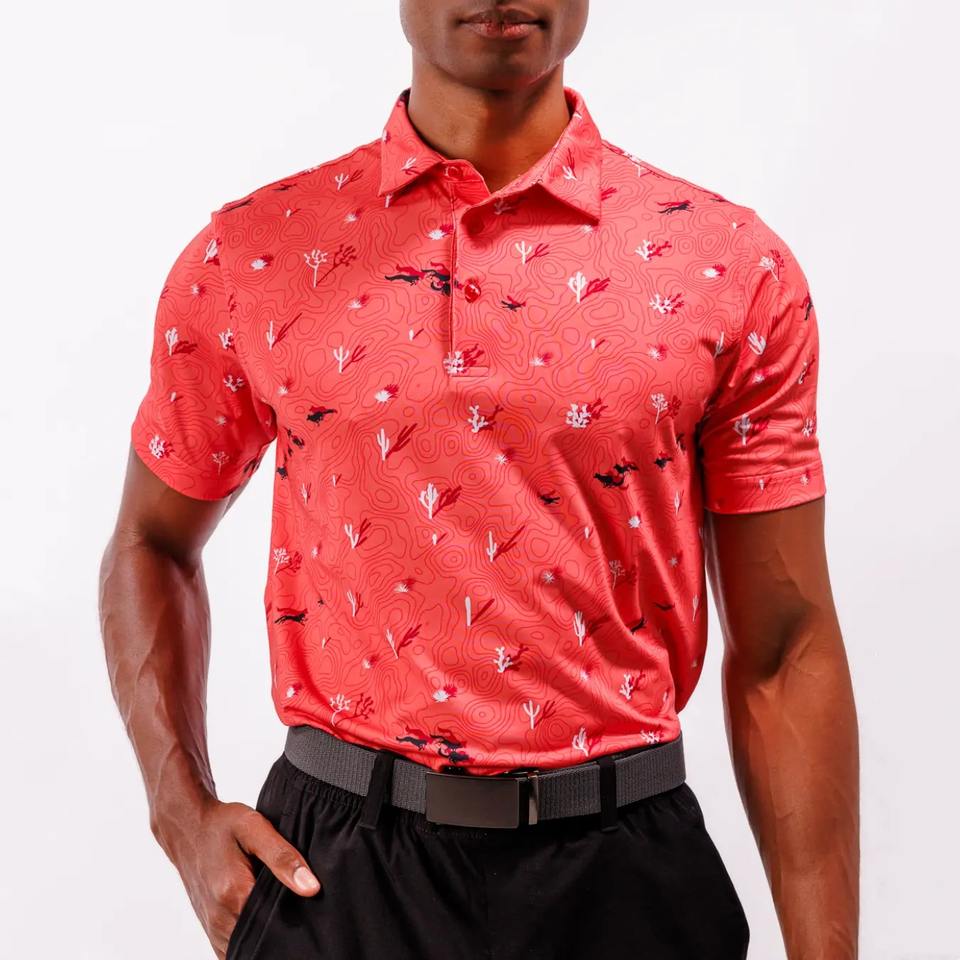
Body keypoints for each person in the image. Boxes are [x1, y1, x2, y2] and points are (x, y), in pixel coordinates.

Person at [98, 2, 859, 957]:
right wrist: (180, 813)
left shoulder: (730, 266)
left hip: (625, 876)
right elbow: (150, 541)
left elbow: (786, 648)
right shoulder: (258, 252)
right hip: (339, 877)